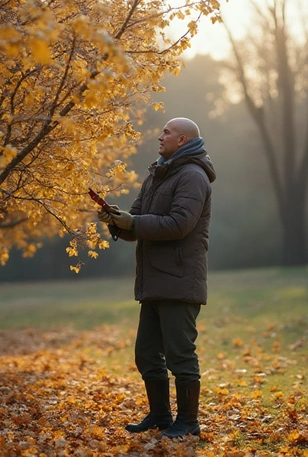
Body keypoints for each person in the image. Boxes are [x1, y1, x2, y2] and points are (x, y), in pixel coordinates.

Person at [97, 117, 216, 439]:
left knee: (180, 355)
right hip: (154, 281)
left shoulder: (192, 176)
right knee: (147, 354)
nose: (159, 136)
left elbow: (178, 224)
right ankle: (162, 416)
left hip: (179, 280)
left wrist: (132, 222)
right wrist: (117, 219)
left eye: (166, 132)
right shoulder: (157, 175)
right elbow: (137, 222)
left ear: (183, 140)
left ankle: (189, 423)